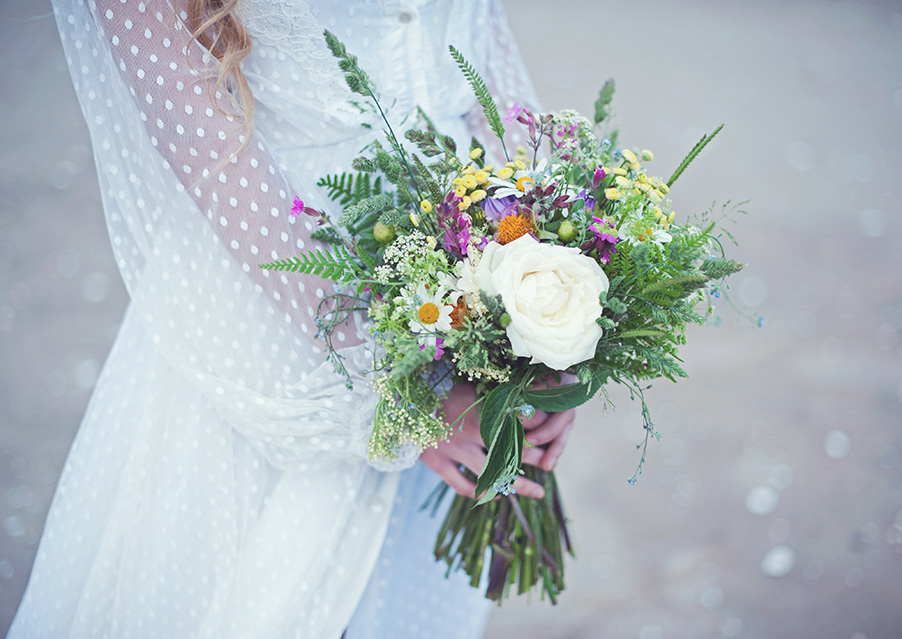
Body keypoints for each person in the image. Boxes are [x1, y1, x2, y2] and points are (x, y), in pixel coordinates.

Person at [10, 1, 575, 637]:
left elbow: (493, 75)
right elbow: (209, 156)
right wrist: (400, 395)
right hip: (280, 311)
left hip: (472, 274)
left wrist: (551, 315)